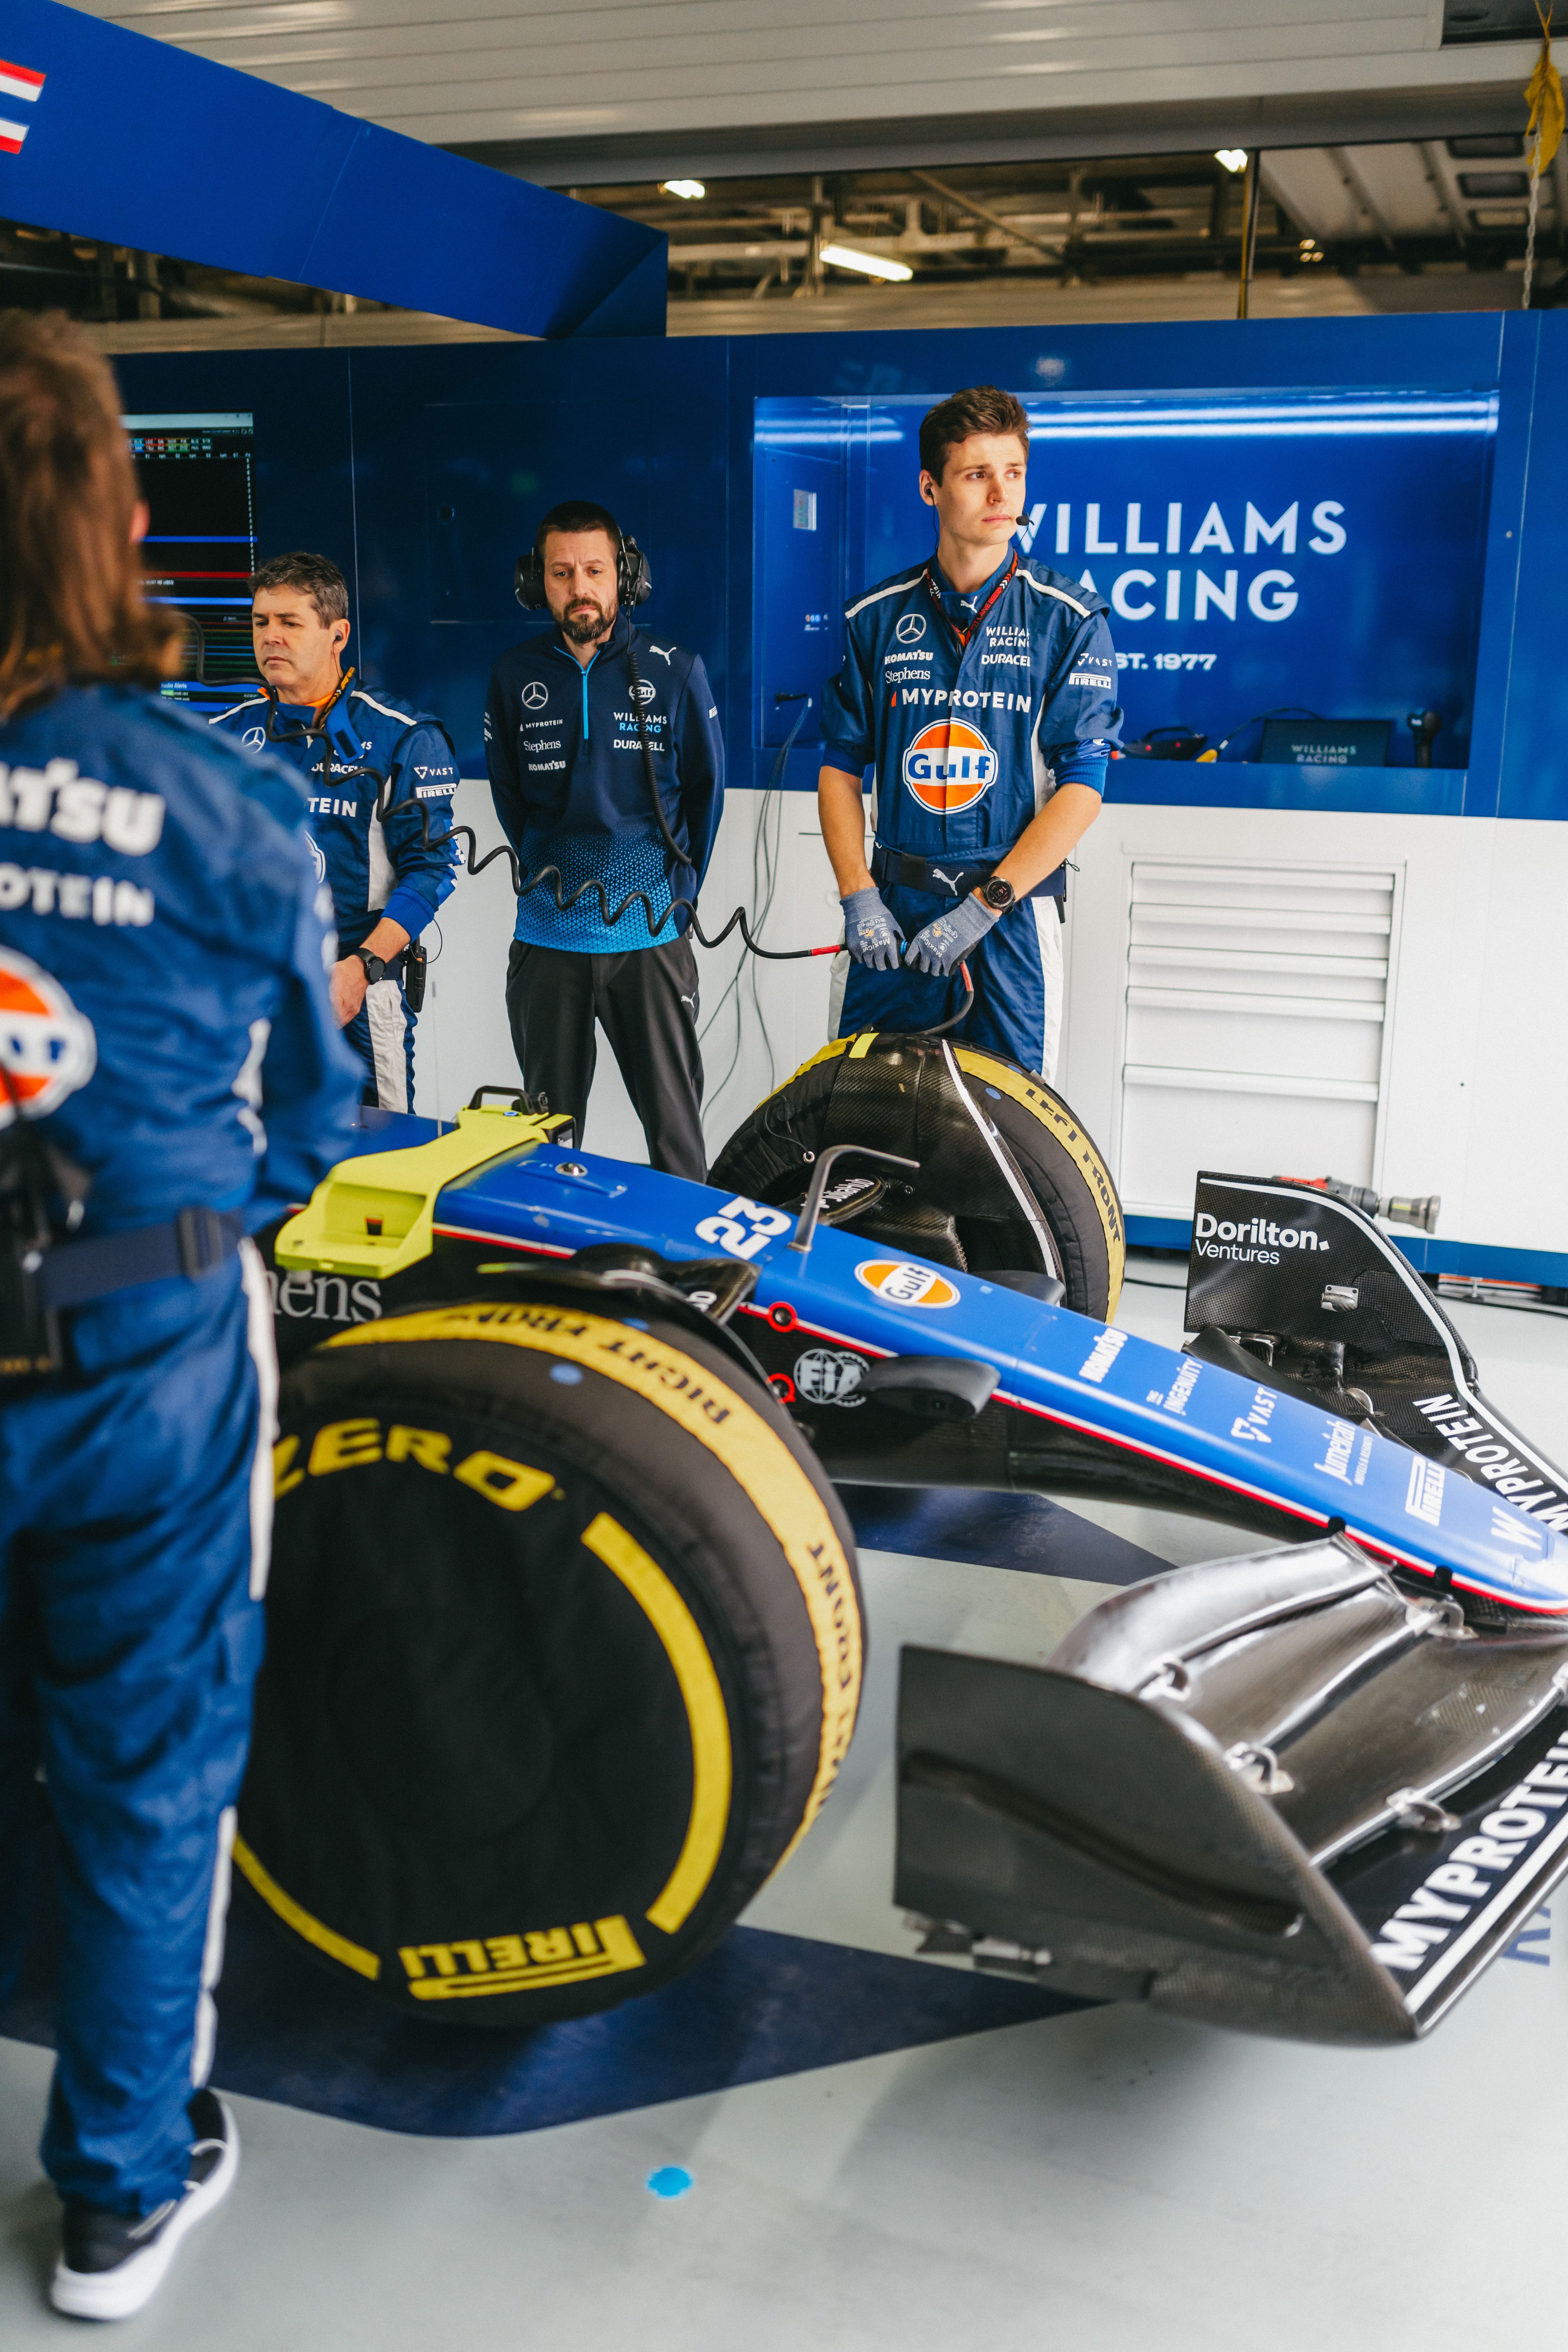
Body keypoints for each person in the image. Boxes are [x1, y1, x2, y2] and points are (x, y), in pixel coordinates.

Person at [0, 311, 359, 2321]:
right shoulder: (230, 810)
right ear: (130, 525)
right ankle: (122, 2195)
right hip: (141, 1359)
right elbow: (313, 1125)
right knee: (148, 1772)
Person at [817, 384, 1122, 1084]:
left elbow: (1083, 786)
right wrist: (857, 895)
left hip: (1006, 919)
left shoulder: (1067, 618)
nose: (999, 494)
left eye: (1011, 473)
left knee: (1008, 1129)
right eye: (975, 474)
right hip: (891, 917)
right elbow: (840, 769)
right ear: (930, 488)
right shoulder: (874, 618)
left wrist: (983, 910)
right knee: (861, 1105)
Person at [485, 500, 724, 1181]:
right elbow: (510, 804)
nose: (579, 587)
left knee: (677, 1140)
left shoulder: (676, 669)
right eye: (561, 573)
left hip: (649, 938)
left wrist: (673, 901)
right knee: (547, 1147)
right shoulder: (512, 675)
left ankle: (689, 1281)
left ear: (626, 576)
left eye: (594, 570)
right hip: (546, 938)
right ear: (537, 583)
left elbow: (706, 797)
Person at [210, 553, 459, 1113]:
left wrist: (361, 970)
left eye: (290, 623)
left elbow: (434, 871)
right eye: (261, 622)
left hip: (359, 989)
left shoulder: (402, 737)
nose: (271, 637)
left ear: (337, 634)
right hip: (253, 984)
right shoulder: (225, 736)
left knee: (380, 1157)